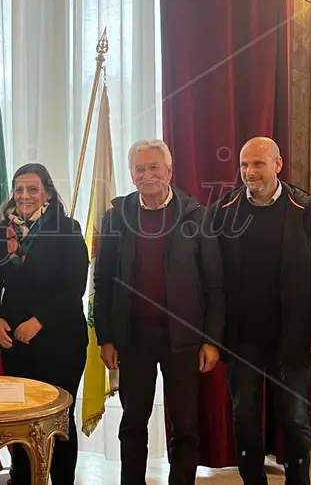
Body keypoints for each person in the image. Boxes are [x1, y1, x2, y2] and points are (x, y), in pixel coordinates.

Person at [93, 139, 225, 485]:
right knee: (133, 422)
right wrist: (105, 337)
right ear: (131, 175)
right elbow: (103, 282)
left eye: (154, 167)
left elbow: (214, 284)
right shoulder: (117, 216)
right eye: (140, 169)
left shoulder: (196, 215)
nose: (147, 174)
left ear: (169, 170)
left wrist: (211, 340)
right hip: (133, 337)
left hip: (183, 339)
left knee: (186, 425)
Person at [205, 136, 311, 485]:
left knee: (294, 418)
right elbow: (211, 276)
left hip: (292, 335)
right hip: (241, 336)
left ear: (278, 165)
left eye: (258, 163)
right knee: (244, 416)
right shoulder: (223, 209)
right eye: (244, 164)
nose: (250, 172)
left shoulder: (305, 209)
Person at [0, 163, 89, 485]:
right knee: (22, 418)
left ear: (48, 193)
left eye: (32, 189)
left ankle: (61, 480)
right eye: (19, 189)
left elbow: (74, 286)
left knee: (59, 418)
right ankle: (23, 478)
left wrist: (39, 321)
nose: (24, 195)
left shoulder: (67, 229)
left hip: (62, 341)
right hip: (16, 343)